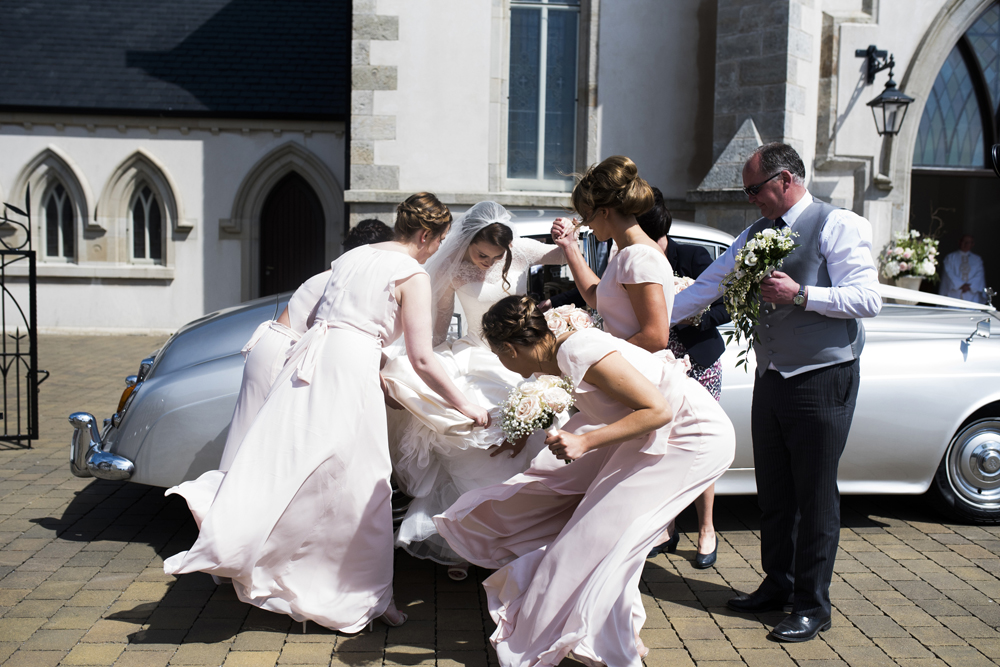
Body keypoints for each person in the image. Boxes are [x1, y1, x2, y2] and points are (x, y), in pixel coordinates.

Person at [164, 193, 489, 633]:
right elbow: (423, 357)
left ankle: (240, 535)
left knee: (289, 463)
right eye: (438, 241)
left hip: (310, 357)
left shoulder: (353, 256)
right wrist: (466, 403)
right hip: (349, 367)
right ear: (426, 235)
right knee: (363, 482)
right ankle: (367, 595)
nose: (437, 251)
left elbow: (321, 314)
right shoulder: (410, 273)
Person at [435, 295, 735, 667]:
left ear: (510, 349)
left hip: (689, 439)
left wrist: (585, 441)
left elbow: (658, 410)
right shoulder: (559, 354)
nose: (500, 362)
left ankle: (573, 638)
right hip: (652, 438)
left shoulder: (575, 350)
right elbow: (605, 405)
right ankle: (613, 635)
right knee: (600, 534)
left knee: (598, 536)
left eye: (497, 354)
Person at [672, 142, 881, 642]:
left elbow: (868, 298)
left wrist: (802, 294)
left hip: (822, 375)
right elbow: (709, 286)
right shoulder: (754, 234)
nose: (750, 200)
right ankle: (777, 584)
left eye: (754, 189)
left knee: (814, 495)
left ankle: (812, 604)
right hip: (772, 376)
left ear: (785, 180)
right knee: (775, 490)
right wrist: (644, 323)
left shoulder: (838, 224)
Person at [381, 201, 565, 580]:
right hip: (473, 355)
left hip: (518, 355)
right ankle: (467, 539)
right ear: (467, 243)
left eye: (495, 257)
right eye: (481, 254)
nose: (486, 262)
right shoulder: (453, 270)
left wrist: (568, 234)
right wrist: (424, 370)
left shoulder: (523, 252)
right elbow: (436, 329)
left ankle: (516, 538)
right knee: (473, 444)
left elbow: (563, 254)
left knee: (534, 435)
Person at [217, 217, 397, 474]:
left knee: (249, 439)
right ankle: (227, 505)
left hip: (274, 345)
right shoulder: (344, 280)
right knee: (256, 447)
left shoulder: (335, 274)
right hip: (283, 352)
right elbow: (339, 332)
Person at [636, 186, 731, 568]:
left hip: (697, 362)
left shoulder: (691, 255)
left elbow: (726, 303)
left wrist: (697, 314)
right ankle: (667, 525)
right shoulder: (629, 261)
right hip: (656, 365)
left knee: (700, 441)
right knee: (662, 443)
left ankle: (707, 528)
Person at [549, 155, 672, 352]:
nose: (586, 224)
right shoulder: (628, 251)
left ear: (604, 212)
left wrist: (600, 361)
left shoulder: (639, 256)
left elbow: (655, 337)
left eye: (587, 216)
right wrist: (570, 246)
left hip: (635, 370)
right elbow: (596, 297)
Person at [939, 234, 987, 304]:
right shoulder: (950, 257)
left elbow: (979, 275)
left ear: (972, 244)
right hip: (955, 293)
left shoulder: (977, 259)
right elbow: (948, 272)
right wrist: (960, 285)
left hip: (971, 293)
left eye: (968, 242)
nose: (965, 244)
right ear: (959, 242)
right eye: (964, 241)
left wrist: (970, 286)